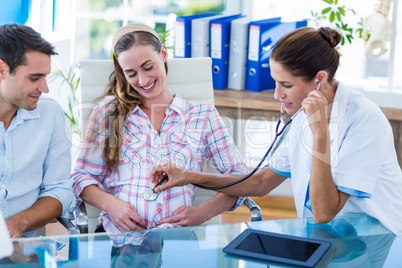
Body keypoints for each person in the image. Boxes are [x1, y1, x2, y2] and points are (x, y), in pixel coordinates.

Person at [151, 27, 402, 237]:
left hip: (375, 242)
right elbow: (260, 183)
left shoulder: (364, 120)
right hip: (327, 239)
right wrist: (188, 176)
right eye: (275, 82)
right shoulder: (304, 115)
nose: (277, 94)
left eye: (286, 85)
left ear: (319, 79)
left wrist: (320, 136)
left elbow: (324, 213)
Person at [71, 23, 247, 233]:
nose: (143, 80)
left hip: (176, 239)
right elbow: (81, 176)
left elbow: (240, 177)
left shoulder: (202, 115)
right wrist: (112, 206)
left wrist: (204, 212)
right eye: (131, 73)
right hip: (119, 237)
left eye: (148, 67)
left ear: (163, 53)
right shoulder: (108, 111)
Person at [0, 23, 75, 238]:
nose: (45, 88)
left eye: (45, 77)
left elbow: (60, 189)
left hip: (22, 252)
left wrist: (17, 224)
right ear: (2, 70)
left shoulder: (50, 114)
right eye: (34, 78)